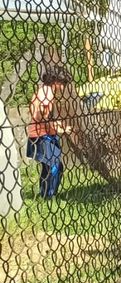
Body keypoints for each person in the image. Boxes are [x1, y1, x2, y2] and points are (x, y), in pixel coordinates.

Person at [27, 67, 72, 199]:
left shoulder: (44, 91)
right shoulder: (47, 92)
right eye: (63, 83)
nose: (63, 86)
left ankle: (46, 194)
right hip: (41, 135)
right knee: (54, 165)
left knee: (51, 166)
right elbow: (41, 115)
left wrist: (55, 125)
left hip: (43, 134)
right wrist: (58, 128)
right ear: (55, 81)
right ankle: (48, 195)